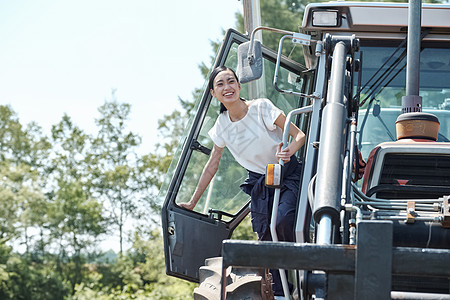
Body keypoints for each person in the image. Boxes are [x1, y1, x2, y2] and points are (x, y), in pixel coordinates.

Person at [179, 65, 306, 298]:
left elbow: (299, 136)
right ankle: (280, 293)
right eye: (220, 84)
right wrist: (192, 201)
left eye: (231, 81)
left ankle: (302, 276)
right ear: (213, 93)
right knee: (265, 237)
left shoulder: (261, 107)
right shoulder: (221, 127)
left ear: (239, 85)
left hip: (288, 173)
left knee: (282, 221)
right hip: (261, 182)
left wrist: (288, 151)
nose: (227, 87)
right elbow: (212, 165)